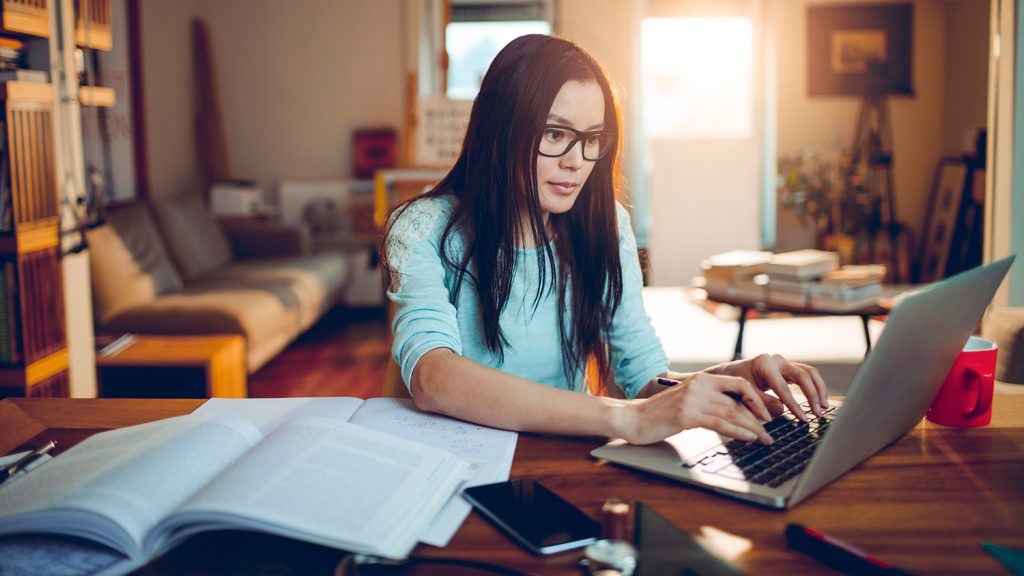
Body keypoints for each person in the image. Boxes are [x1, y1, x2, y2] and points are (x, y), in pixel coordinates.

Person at [382, 34, 827, 446]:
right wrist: (628, 419)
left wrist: (731, 380)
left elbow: (643, 375)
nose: (577, 160)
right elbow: (433, 377)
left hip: (560, 454)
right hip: (453, 453)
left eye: (592, 138)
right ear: (501, 131)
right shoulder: (424, 227)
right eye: (555, 134)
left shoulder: (606, 224)